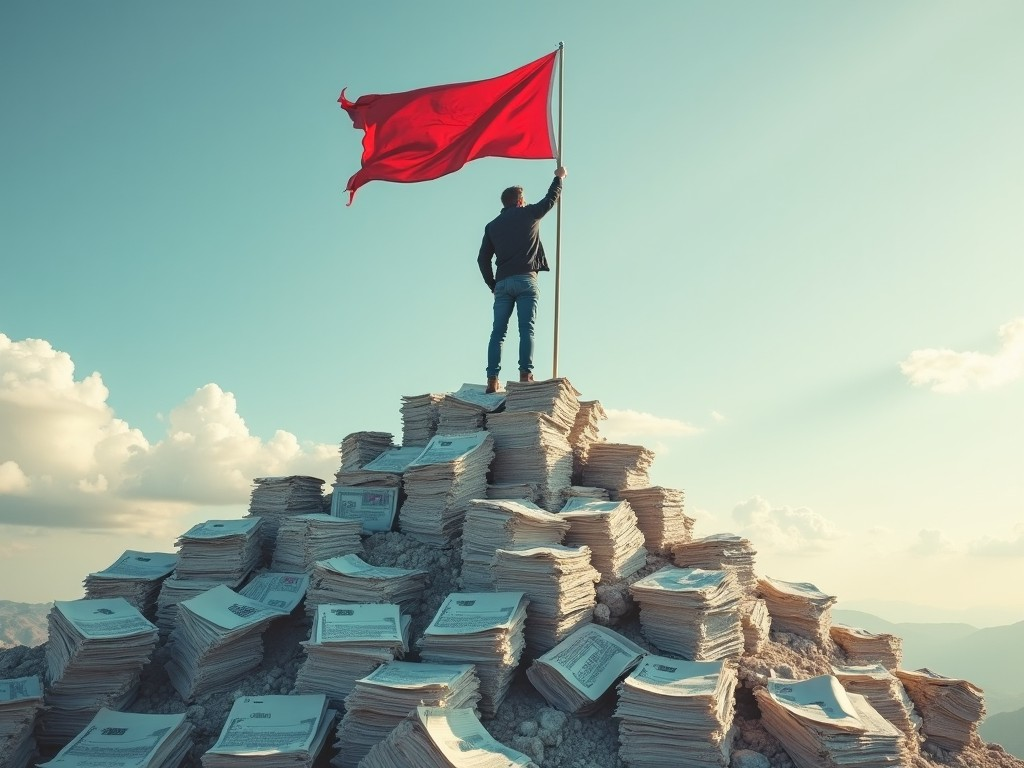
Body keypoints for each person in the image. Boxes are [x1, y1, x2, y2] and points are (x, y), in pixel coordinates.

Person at [477, 166, 567, 394]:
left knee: (498, 332)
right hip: (526, 280)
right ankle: (525, 375)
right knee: (526, 329)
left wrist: (492, 284)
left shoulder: (492, 226)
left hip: (503, 284)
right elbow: (550, 200)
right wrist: (558, 178)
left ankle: (491, 380)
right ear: (519, 201)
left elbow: (482, 259)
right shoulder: (528, 214)